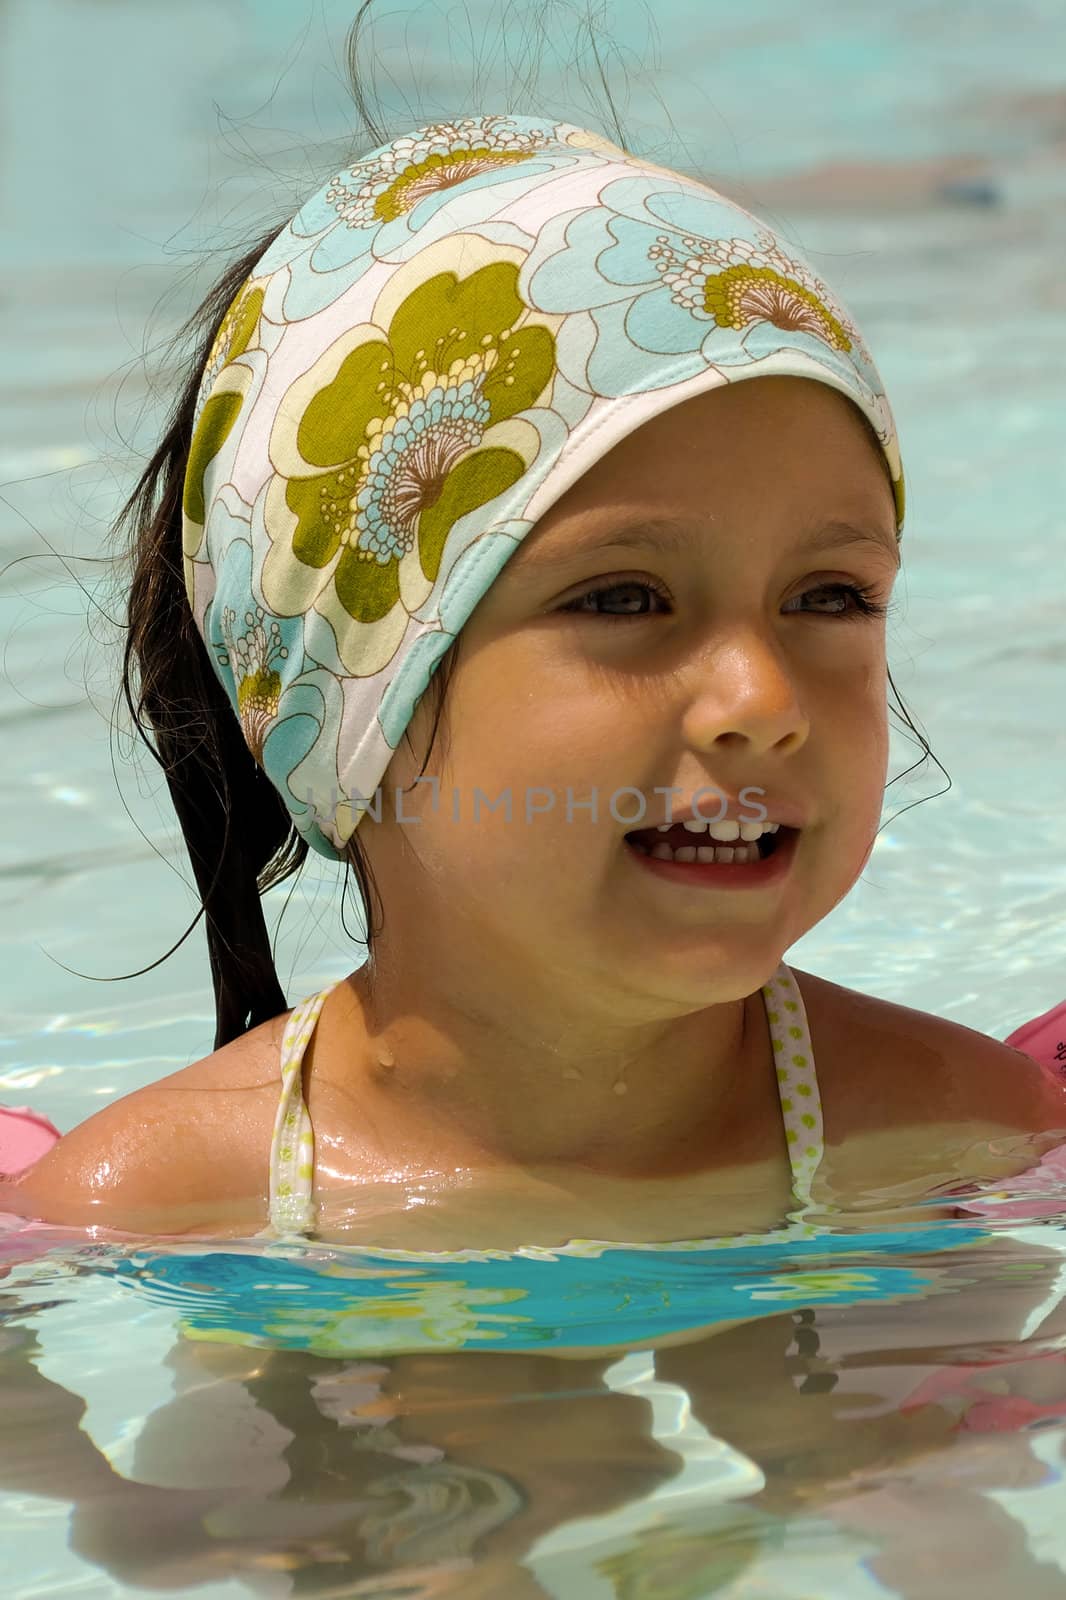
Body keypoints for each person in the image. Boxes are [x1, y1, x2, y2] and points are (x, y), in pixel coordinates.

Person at [1, 111, 1063, 1259]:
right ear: (356, 702)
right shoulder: (155, 1210)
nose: (762, 698)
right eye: (620, 600)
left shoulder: (961, 1131)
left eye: (830, 597)